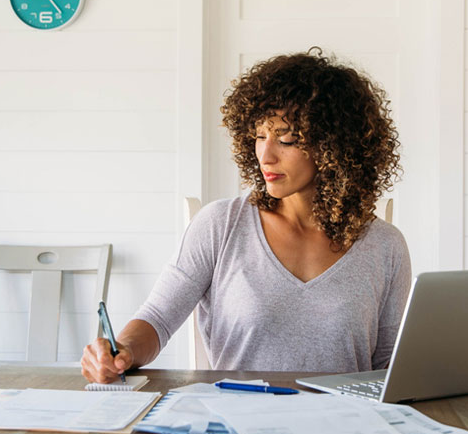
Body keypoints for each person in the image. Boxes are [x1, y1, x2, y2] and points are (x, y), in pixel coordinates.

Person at [80, 48, 409, 384]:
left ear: (335, 146)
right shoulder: (220, 225)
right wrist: (122, 350)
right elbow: (157, 319)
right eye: (259, 136)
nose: (265, 155)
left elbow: (389, 367)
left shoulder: (384, 245)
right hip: (238, 425)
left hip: (345, 427)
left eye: (287, 139)